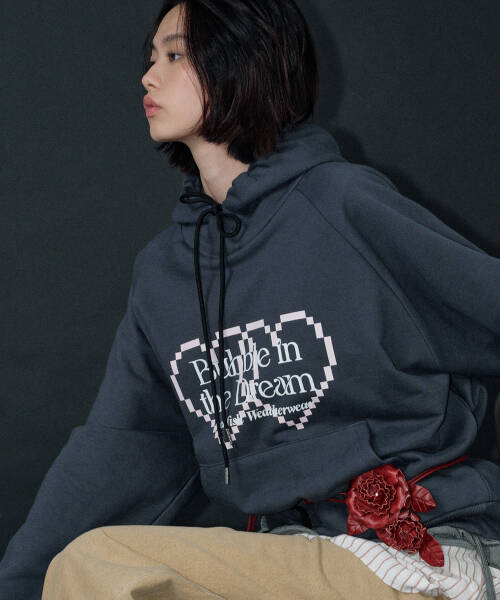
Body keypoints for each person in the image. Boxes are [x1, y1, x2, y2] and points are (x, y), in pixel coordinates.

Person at [1, 1, 500, 598]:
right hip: (289, 556)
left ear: (244, 61)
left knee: (100, 561)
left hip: (415, 553)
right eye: (151, 58)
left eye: (176, 54)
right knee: (90, 570)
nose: (149, 76)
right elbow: (124, 448)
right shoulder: (166, 273)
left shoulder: (342, 206)